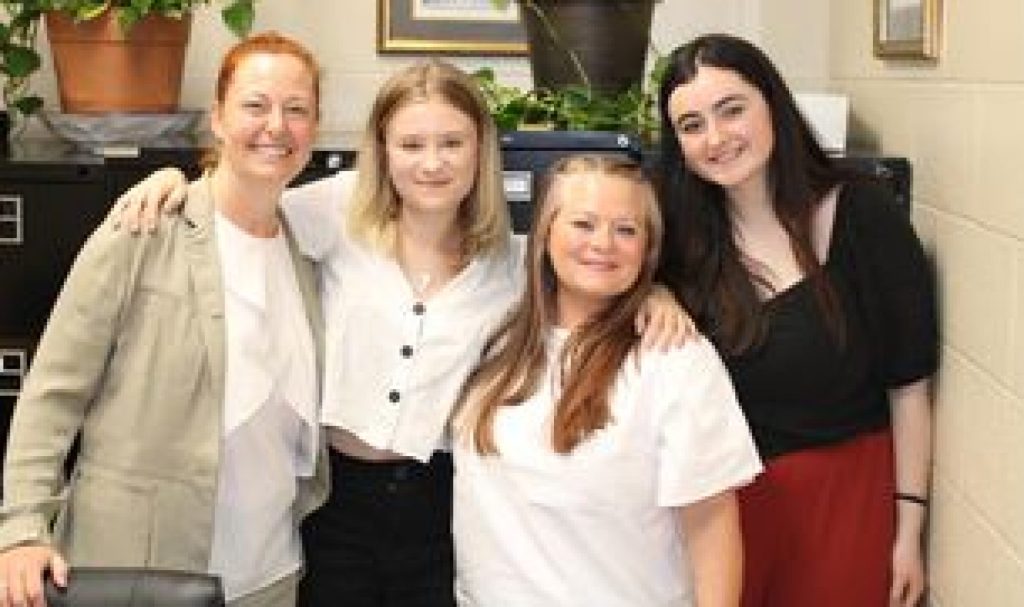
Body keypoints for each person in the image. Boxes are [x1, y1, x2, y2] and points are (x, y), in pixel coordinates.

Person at [113, 59, 692, 606]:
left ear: (481, 149)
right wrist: (174, 181)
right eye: (411, 145)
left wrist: (654, 294)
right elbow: (240, 208)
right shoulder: (336, 210)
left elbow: (592, 272)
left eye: (452, 143)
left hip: (442, 505)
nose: (432, 163)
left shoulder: (511, 262)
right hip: (334, 501)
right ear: (383, 150)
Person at [0, 32, 329, 607]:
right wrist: (23, 528)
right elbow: (53, 390)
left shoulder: (307, 250)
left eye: (296, 109)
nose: (276, 126)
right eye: (255, 105)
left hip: (270, 575)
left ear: (316, 129)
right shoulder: (144, 229)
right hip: (143, 572)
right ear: (218, 117)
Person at [655, 33, 939, 607]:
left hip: (841, 501)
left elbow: (908, 387)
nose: (716, 138)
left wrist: (908, 532)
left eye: (731, 110)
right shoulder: (676, 232)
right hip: (718, 511)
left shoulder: (862, 212)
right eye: (691, 125)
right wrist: (652, 295)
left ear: (773, 103)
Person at [452, 153, 761, 606]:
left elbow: (711, 525)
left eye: (626, 230)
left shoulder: (674, 357)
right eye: (583, 224)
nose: (604, 243)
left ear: (648, 250)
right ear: (544, 234)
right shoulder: (496, 335)